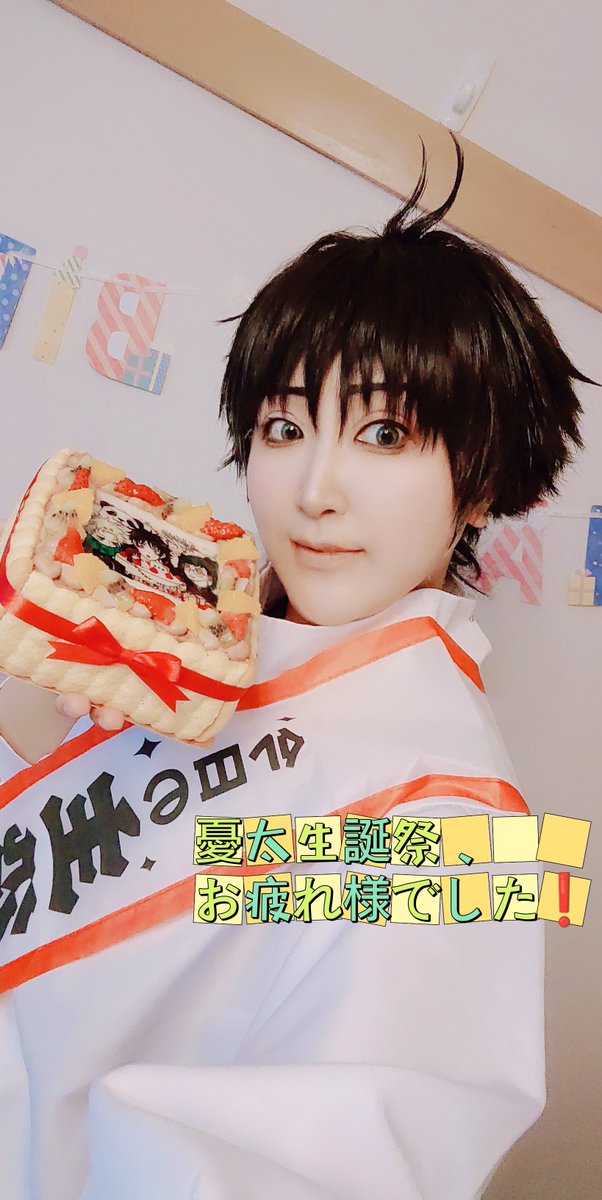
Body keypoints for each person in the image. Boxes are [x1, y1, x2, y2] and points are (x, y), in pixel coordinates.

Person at [0, 133, 595, 1200]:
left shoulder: (463, 831)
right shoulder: (198, 637)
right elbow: (178, 892)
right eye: (283, 424)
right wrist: (35, 702)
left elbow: (330, 1155)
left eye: (383, 434)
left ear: (480, 482)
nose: (313, 490)